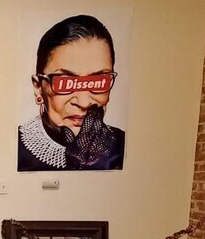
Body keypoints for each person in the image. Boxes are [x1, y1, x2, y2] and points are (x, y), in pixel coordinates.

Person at [18, 14, 125, 171]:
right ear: (38, 87)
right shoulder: (15, 149)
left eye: (98, 81)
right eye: (66, 83)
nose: (83, 102)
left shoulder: (121, 145)